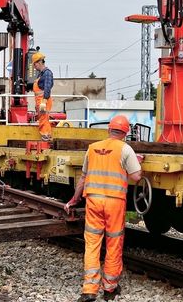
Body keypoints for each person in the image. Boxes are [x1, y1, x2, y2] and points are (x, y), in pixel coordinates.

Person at [64, 115, 143, 302]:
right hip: (114, 202)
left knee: (92, 243)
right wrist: (138, 161)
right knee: (113, 243)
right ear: (126, 133)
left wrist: (74, 200)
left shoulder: (92, 149)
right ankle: (109, 288)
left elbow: (83, 178)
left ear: (109, 130)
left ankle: (89, 290)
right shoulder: (126, 149)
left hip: (93, 201)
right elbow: (137, 176)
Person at [31, 52, 54, 141]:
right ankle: (46, 135)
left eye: (34, 64)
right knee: (43, 118)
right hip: (40, 101)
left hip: (44, 101)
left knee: (44, 118)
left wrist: (44, 102)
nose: (34, 66)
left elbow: (47, 88)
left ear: (39, 62)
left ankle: (46, 135)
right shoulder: (41, 74)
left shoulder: (47, 73)